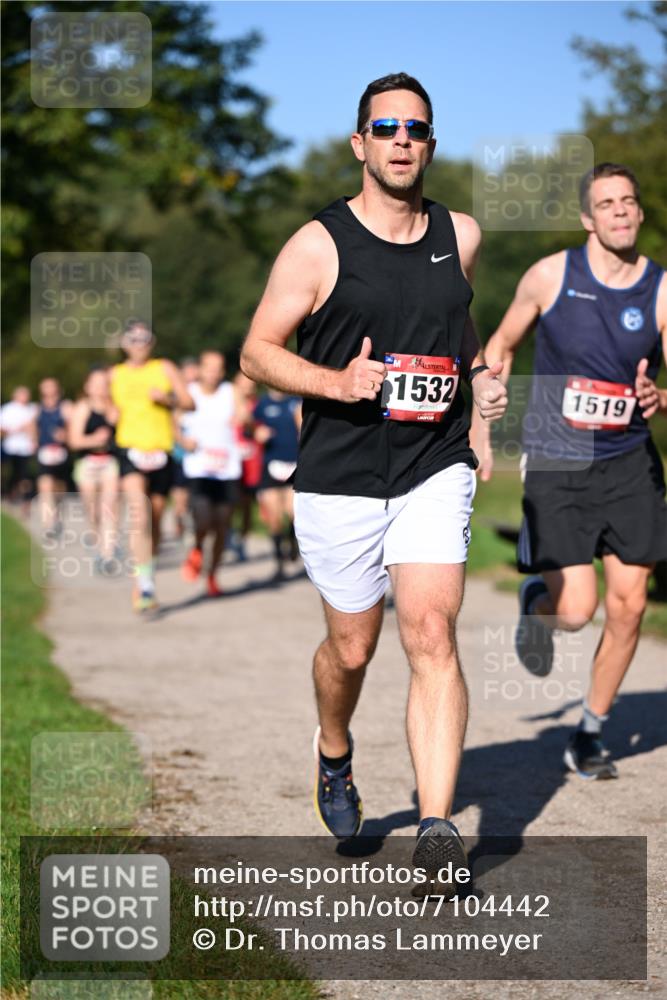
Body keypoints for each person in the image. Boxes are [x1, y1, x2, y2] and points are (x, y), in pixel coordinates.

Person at [241, 72, 507, 883]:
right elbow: (256, 352)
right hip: (341, 473)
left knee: (430, 632)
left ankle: (434, 829)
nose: (401, 140)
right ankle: (333, 749)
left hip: (433, 464)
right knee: (351, 649)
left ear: (429, 144)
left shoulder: (458, 234)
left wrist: (479, 388)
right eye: (385, 127)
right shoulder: (317, 244)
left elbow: (453, 330)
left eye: (416, 129)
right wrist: (335, 384)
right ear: (359, 143)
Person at [484, 162, 666, 780]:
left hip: (628, 461)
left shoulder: (661, 291)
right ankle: (538, 599)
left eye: (628, 201)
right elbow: (500, 347)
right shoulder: (552, 275)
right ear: (588, 218)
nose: (619, 210)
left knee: (631, 603)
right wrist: (483, 421)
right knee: (576, 611)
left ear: (639, 214)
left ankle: (589, 730)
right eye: (606, 203)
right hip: (559, 457)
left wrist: (660, 398)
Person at [110, 322, 193, 612]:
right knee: (139, 515)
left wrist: (167, 399)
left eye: (144, 338)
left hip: (161, 451)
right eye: (133, 338)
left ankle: (146, 576)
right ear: (124, 342)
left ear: (152, 341)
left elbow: (189, 402)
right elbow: (100, 405)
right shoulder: (115, 375)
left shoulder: (165, 368)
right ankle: (144, 586)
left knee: (155, 522)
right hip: (129, 449)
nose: (139, 343)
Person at [178, 351, 243, 596]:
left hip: (227, 469)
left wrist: (242, 418)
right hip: (199, 467)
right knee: (203, 520)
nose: (213, 372)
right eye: (209, 367)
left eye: (218, 368)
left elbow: (243, 414)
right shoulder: (189, 392)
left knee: (222, 527)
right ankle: (196, 548)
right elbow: (173, 423)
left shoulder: (231, 391)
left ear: (223, 371)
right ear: (200, 369)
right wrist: (183, 441)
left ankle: (212, 575)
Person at [68, 367, 120, 575]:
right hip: (87, 463)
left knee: (110, 508)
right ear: (87, 386)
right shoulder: (82, 408)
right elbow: (74, 441)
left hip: (110, 463)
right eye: (96, 383)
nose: (100, 387)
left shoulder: (115, 407)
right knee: (93, 510)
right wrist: (94, 439)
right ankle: (96, 538)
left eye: (104, 383)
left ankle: (107, 553)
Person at [254, 388, 301, 581]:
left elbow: (304, 423)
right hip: (271, 466)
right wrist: (256, 433)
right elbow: (249, 427)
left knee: (293, 513)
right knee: (273, 518)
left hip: (294, 464)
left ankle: (293, 541)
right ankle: (278, 563)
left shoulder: (296, 401)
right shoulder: (262, 404)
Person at [231, 371, 264, 562]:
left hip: (252, 461)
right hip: (230, 462)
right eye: (243, 383)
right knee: (229, 504)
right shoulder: (226, 404)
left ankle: (241, 539)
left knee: (246, 506)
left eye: (251, 383)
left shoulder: (258, 405)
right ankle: (227, 533)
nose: (247, 386)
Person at [34, 378, 72, 536]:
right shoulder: (37, 409)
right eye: (45, 386)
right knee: (45, 486)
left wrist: (65, 435)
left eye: (51, 386)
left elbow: (74, 428)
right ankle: (48, 524)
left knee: (59, 490)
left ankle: (57, 518)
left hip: (62, 454)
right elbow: (34, 429)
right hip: (44, 454)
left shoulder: (66, 407)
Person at [170, 357, 200, 541]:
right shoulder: (176, 397)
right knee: (180, 499)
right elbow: (171, 423)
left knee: (194, 497)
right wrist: (181, 440)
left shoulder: (202, 395)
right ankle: (180, 522)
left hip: (199, 454)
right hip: (179, 455)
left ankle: (191, 524)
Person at [1, 386, 37, 512]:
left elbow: (34, 429)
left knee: (25, 475)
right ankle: (10, 493)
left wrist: (33, 440)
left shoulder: (31, 409)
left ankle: (26, 500)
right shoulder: (7, 409)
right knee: (13, 474)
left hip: (25, 448)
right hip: (11, 448)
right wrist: (15, 429)